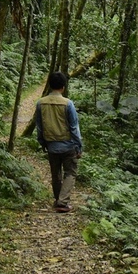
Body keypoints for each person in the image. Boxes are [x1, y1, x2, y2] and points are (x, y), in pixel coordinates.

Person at [35, 70, 83, 212]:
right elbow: (74, 127)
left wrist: (42, 142)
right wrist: (79, 146)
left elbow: (39, 126)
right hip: (68, 145)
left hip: (51, 145)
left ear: (50, 85)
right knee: (70, 173)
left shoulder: (40, 103)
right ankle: (62, 202)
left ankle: (58, 200)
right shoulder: (68, 104)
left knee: (55, 174)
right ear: (63, 86)